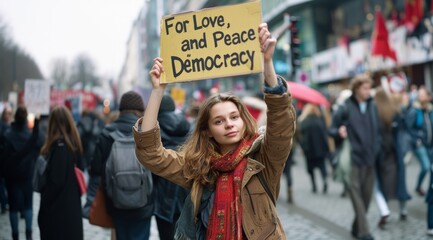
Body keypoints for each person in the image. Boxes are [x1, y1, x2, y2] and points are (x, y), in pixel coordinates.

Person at [134, 23, 296, 239]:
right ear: (208, 130)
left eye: (234, 117)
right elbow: (151, 154)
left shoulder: (263, 159)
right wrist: (157, 92)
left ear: (243, 120)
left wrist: (267, 62)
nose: (229, 124)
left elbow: (281, 124)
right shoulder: (198, 168)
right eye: (219, 121)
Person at [90, 90, 153, 240]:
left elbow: (96, 169)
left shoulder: (106, 133)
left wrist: (91, 199)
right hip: (143, 204)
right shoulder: (147, 133)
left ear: (120, 110)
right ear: (140, 111)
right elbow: (157, 167)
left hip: (116, 203)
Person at [329, 74, 381, 240]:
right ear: (357, 89)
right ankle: (364, 232)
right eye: (365, 88)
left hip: (370, 158)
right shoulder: (345, 107)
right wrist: (339, 131)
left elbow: (377, 130)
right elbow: (331, 129)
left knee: (366, 197)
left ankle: (355, 226)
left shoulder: (372, 105)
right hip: (352, 159)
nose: (368, 91)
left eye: (369, 87)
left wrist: (377, 149)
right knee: (356, 196)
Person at [37, 106, 84, 240]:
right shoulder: (73, 144)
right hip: (71, 209)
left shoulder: (60, 147)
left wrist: (44, 204)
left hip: (57, 212)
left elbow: (56, 181)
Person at [154, 94, 191, 240]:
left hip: (162, 195)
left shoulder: (153, 128)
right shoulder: (188, 126)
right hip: (185, 191)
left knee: (166, 235)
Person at [2, 106, 42, 240]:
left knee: (13, 207)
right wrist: (37, 122)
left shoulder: (7, 135)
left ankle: (15, 235)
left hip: (12, 176)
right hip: (26, 175)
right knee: (28, 205)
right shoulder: (30, 135)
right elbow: (39, 144)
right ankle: (29, 234)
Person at [373, 88, 411, 229]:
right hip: (395, 153)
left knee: (381, 184)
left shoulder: (376, 112)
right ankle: (403, 210)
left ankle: (385, 209)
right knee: (400, 183)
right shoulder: (395, 111)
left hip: (383, 153)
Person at [405, 87, 433, 197]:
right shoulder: (414, 110)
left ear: (428, 97)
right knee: (426, 166)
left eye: (422, 94)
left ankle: (429, 189)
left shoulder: (430, 110)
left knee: (431, 167)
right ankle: (418, 186)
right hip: (419, 144)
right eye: (419, 95)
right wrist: (417, 140)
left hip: (430, 144)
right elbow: (409, 128)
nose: (420, 96)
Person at [298, 103, 330, 194]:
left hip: (309, 149)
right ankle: (324, 180)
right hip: (320, 149)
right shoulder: (320, 120)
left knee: (311, 169)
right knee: (322, 166)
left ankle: (314, 186)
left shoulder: (304, 121)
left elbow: (302, 137)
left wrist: (303, 147)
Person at [0, 105, 13, 214]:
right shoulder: (6, 128)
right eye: (6, 113)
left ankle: (6, 203)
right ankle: (5, 203)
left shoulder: (12, 127)